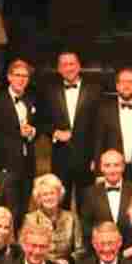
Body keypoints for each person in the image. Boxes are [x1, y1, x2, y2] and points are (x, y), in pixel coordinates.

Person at [0, 58, 44, 215]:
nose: (21, 79)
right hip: (5, 164)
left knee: (24, 208)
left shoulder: (33, 100)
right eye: (17, 75)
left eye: (25, 76)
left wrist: (32, 132)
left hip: (27, 164)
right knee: (7, 209)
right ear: (9, 77)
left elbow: (40, 126)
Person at [46, 51, 99, 210]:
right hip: (60, 158)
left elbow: (100, 126)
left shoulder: (95, 91)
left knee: (88, 205)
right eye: (64, 65)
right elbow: (42, 121)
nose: (68, 68)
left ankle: (86, 236)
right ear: (59, 69)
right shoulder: (49, 92)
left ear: (79, 66)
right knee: (60, 206)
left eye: (72, 64)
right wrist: (54, 133)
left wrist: (96, 157)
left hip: (87, 159)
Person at [92, 67, 132, 184]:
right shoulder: (104, 109)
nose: (126, 85)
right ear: (117, 86)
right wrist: (99, 172)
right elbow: (98, 141)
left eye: (130, 82)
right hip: (112, 170)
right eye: (123, 82)